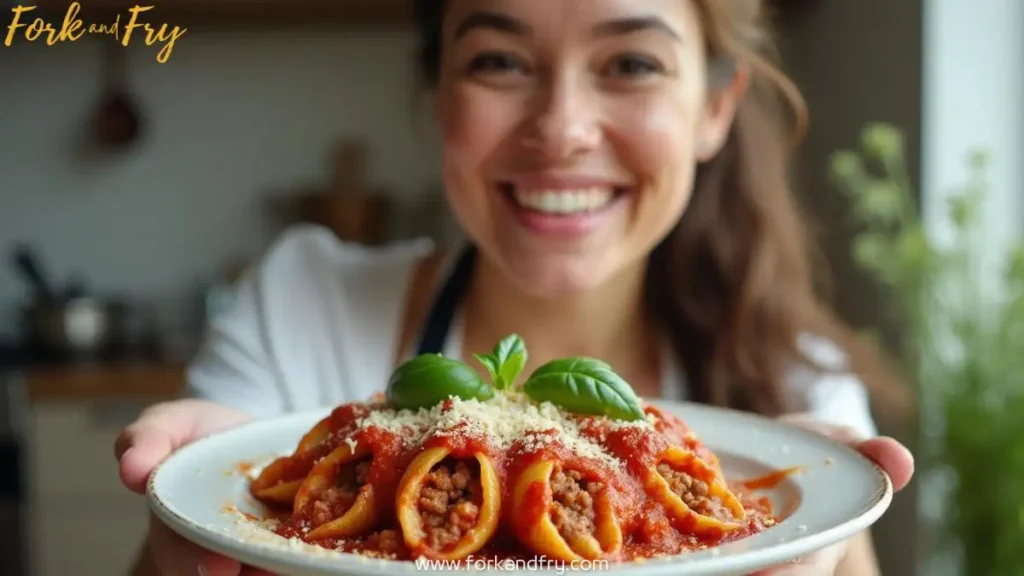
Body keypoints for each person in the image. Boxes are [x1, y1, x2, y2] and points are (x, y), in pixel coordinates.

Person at [115, 1, 915, 574]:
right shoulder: (299, 307)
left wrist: (834, 542)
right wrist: (178, 538)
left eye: (631, 63)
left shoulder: (795, 385)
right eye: (500, 60)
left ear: (713, 108)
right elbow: (209, 522)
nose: (562, 127)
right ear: (438, 93)